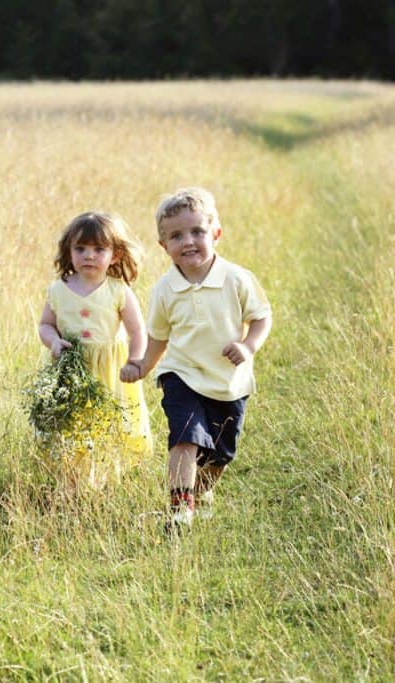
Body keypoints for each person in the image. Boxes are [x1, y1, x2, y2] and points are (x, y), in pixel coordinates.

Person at [137, 187, 272, 531]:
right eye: (176, 236)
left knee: (220, 454)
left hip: (228, 382)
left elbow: (261, 317)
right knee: (185, 436)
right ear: (163, 246)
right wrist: (142, 366)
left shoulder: (236, 278)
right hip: (181, 374)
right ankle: (180, 510)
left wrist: (248, 345)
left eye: (197, 231)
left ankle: (202, 490)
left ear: (216, 233)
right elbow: (159, 338)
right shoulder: (164, 290)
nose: (188, 241)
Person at [38, 211, 153, 488]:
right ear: (69, 251)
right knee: (73, 421)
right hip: (72, 367)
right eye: (81, 249)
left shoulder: (118, 291)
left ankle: (105, 477)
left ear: (114, 255)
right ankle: (73, 479)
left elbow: (138, 331)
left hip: (110, 370)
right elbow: (45, 325)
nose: (89, 255)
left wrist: (135, 361)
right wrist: (54, 342)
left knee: (107, 419)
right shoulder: (58, 290)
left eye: (99, 249)